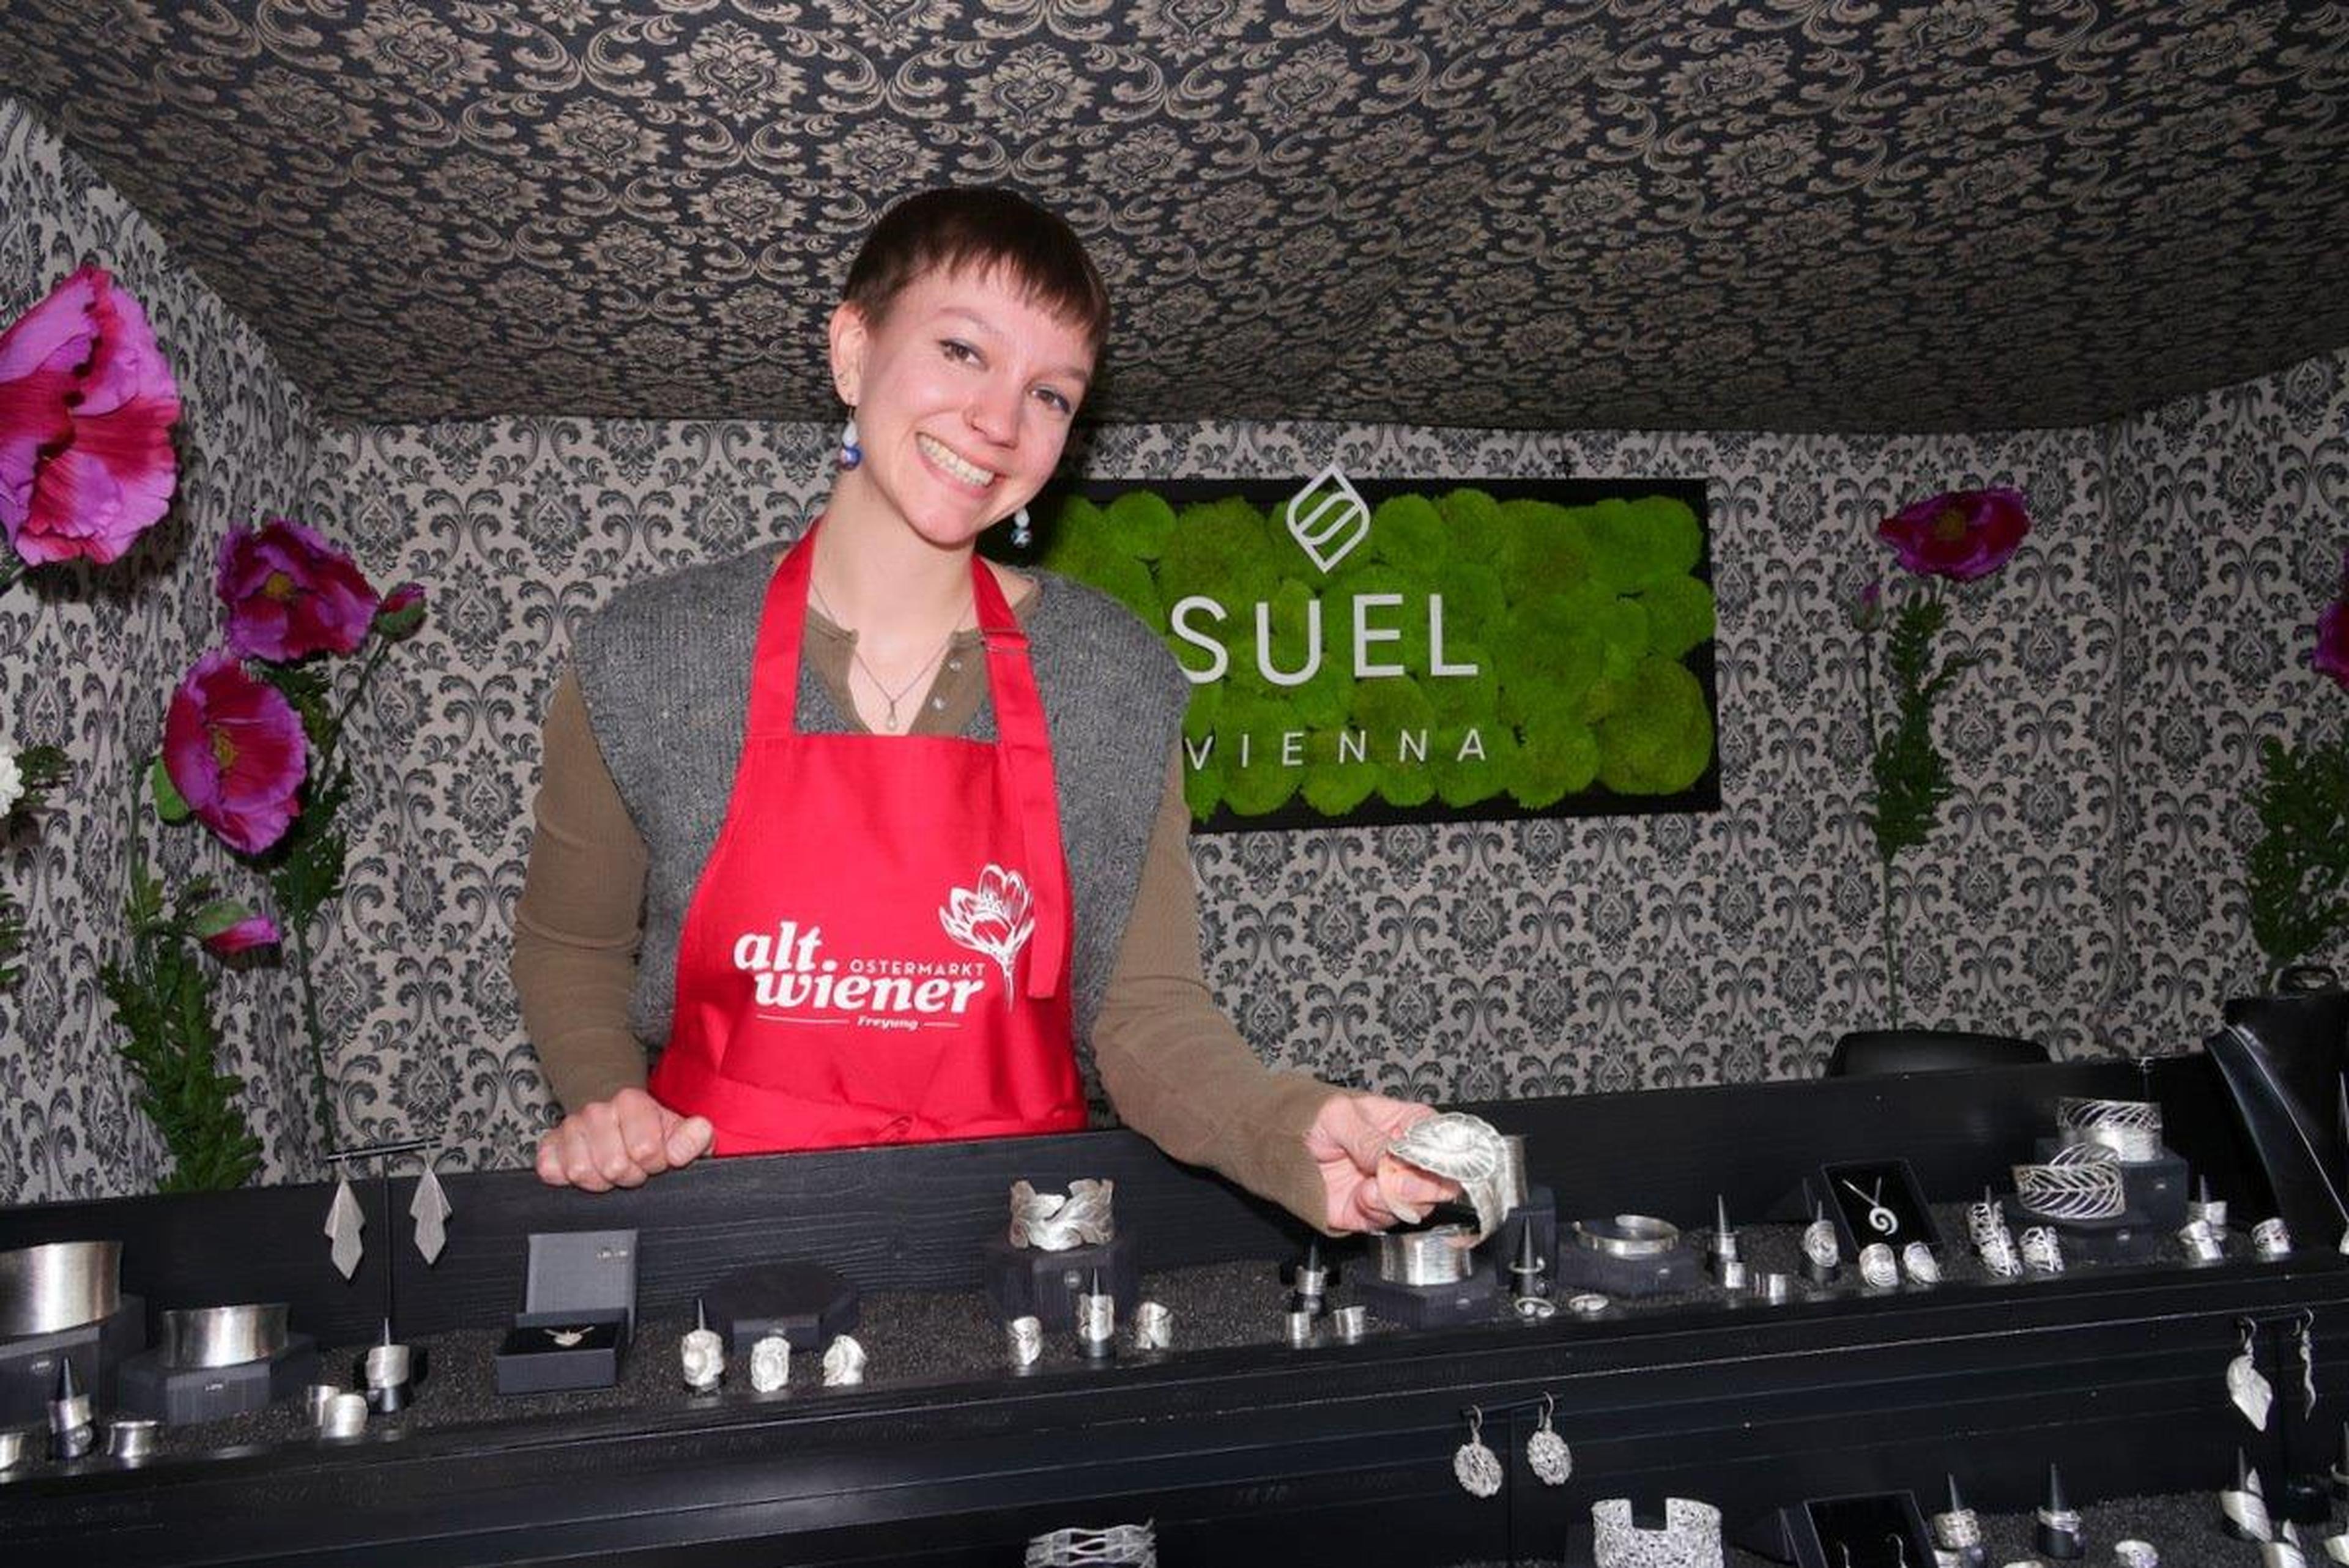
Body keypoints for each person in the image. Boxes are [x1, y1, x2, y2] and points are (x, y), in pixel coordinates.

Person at [513, 187, 1451, 1235]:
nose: (1000, 424)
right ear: (852, 351)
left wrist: (1292, 1131)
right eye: (963, 351)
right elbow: (571, 947)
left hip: (1023, 1252)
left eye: (1052, 395)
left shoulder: (1115, 678)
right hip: (724, 1233)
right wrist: (609, 1100)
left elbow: (1144, 1015)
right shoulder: (648, 652)